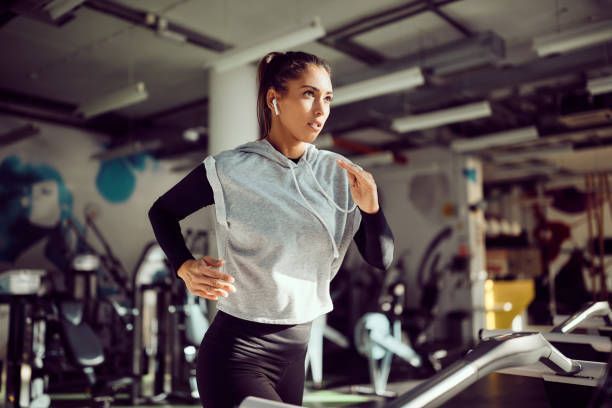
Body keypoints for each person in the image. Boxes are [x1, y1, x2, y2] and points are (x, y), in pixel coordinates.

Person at [148, 51, 395, 408]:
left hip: (296, 356)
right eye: (309, 94)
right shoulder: (230, 168)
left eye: (327, 98)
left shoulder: (338, 174)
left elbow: (380, 258)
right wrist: (183, 266)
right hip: (236, 354)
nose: (321, 109)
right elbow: (163, 211)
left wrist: (371, 209)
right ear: (274, 99)